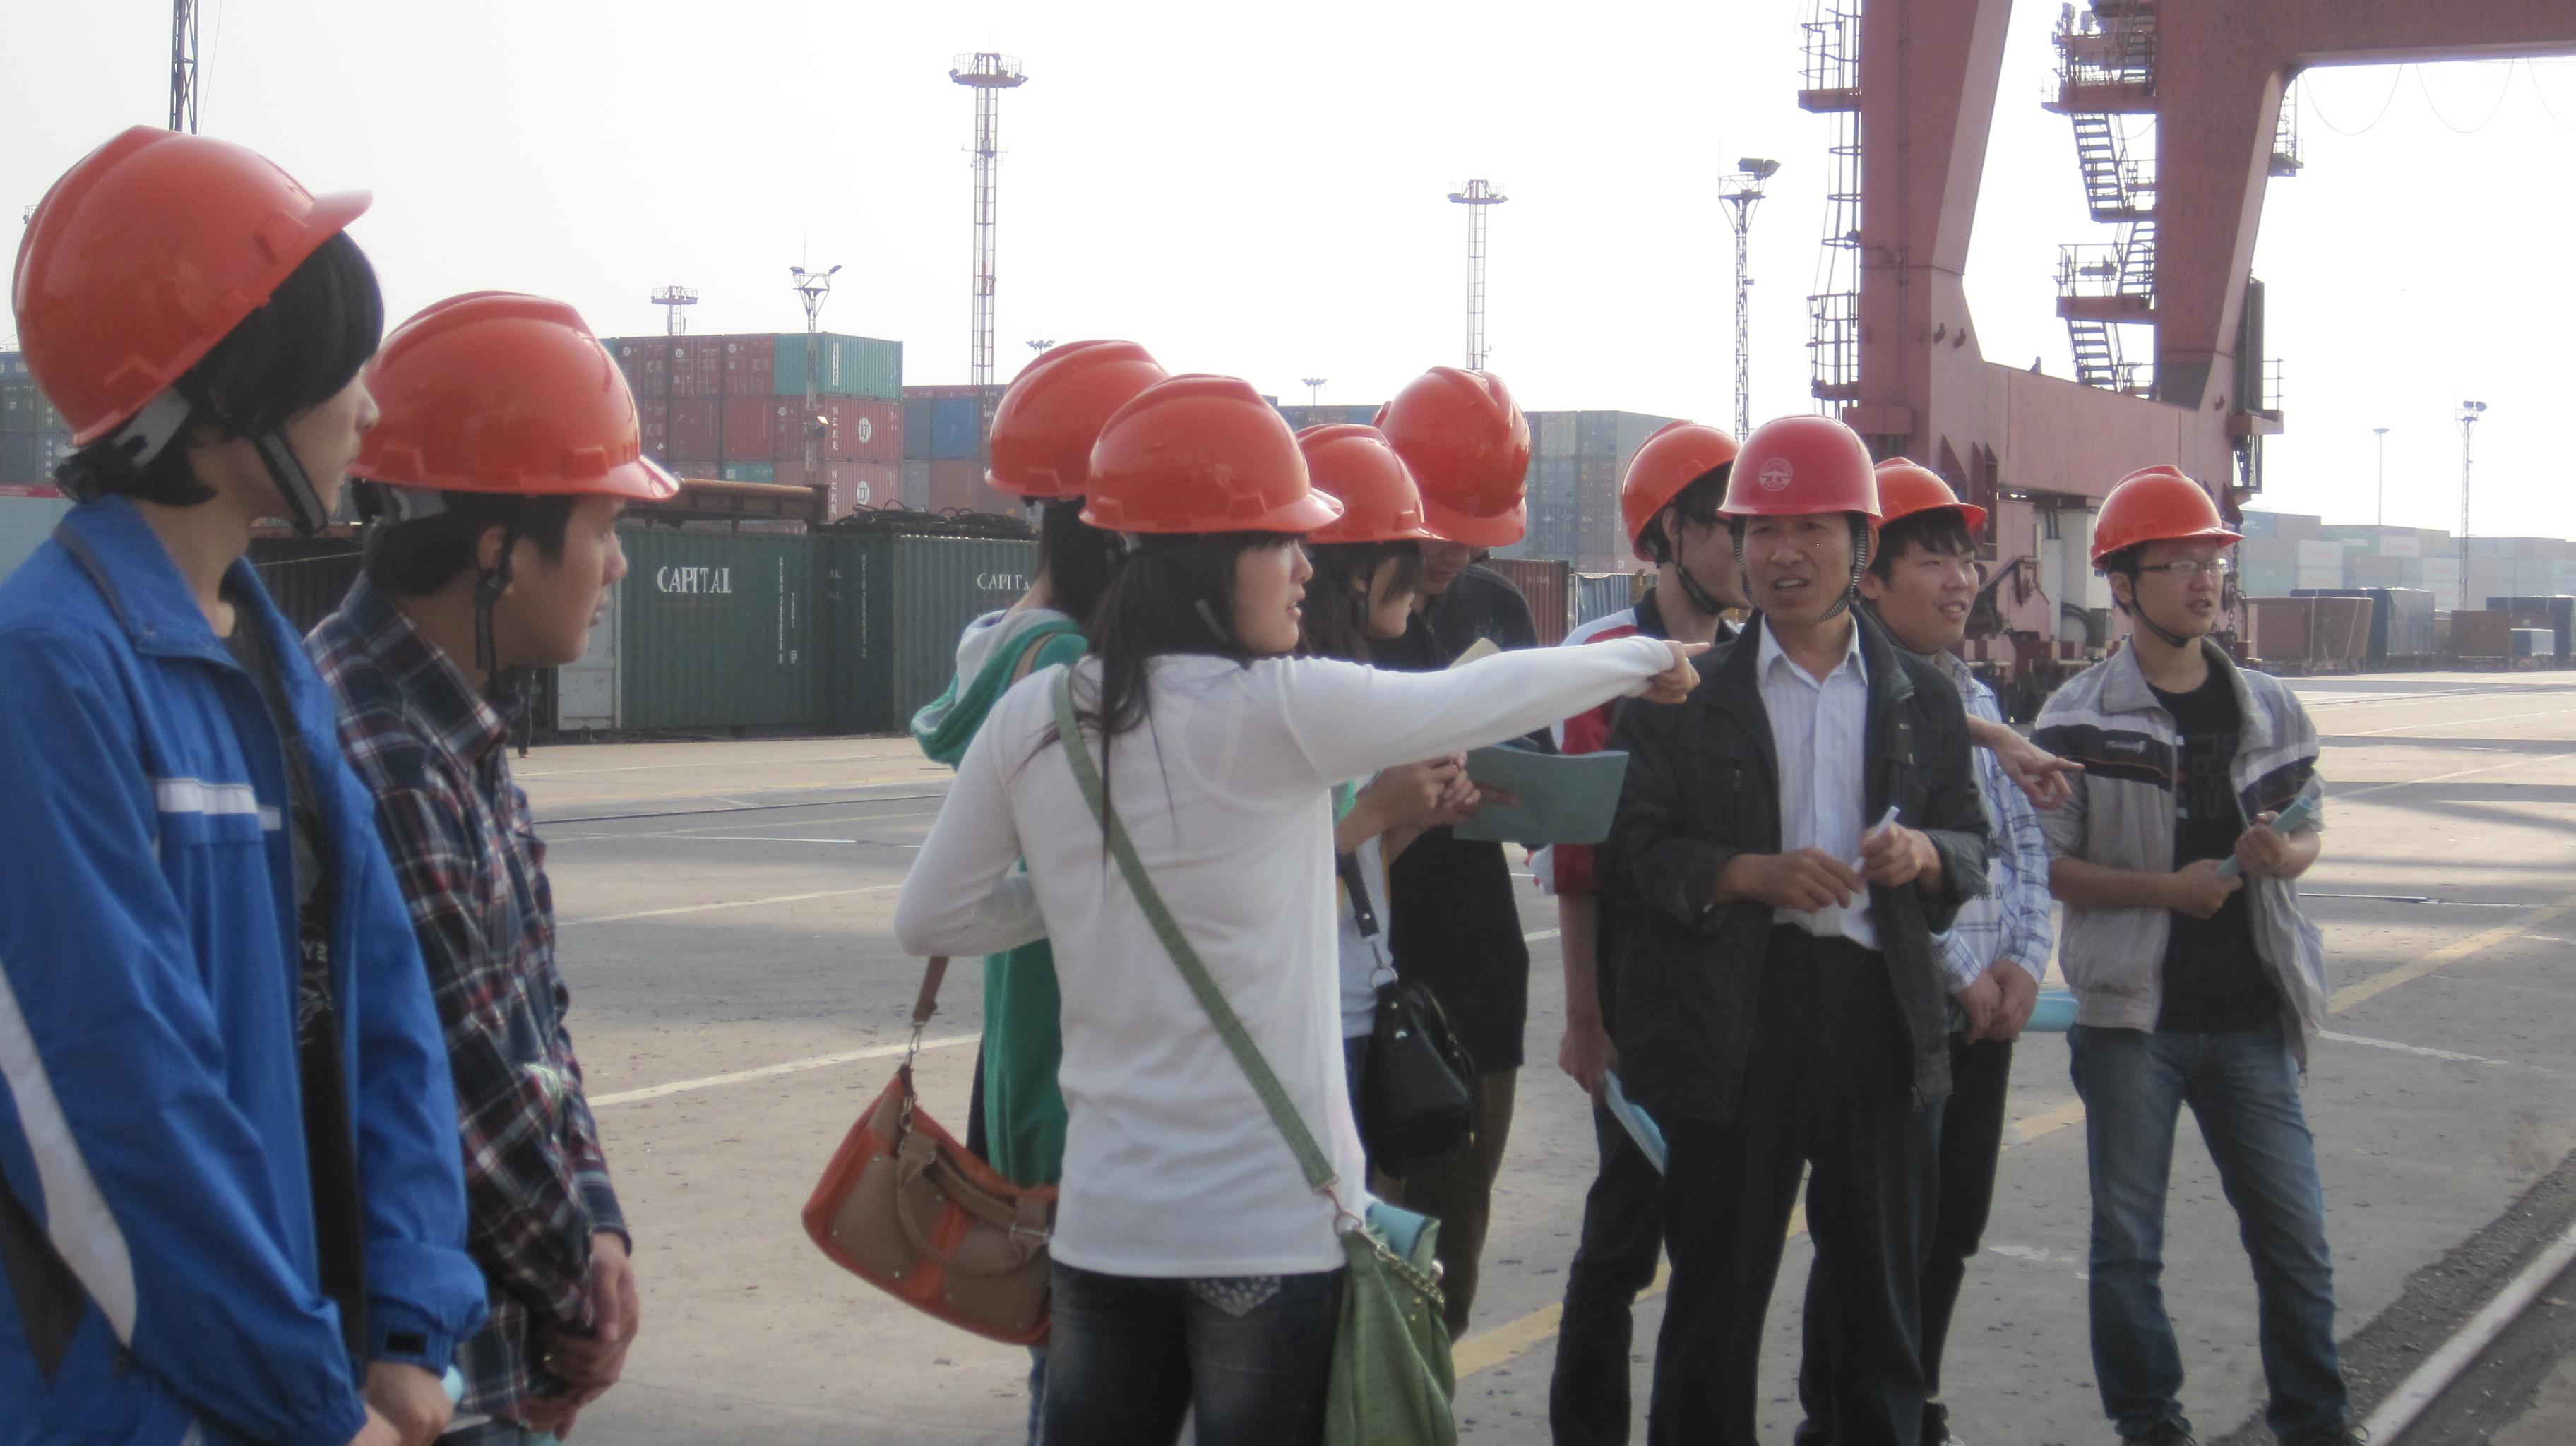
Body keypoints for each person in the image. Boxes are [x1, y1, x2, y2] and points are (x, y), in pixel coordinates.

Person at [892, 374, 1705, 1446]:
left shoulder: (1038, 715)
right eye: (1283, 542)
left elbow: (931, 918)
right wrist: (1647, 659)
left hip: (1105, 1227)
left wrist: (1082, 898)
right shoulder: (1282, 709)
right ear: (1211, 557)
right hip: (1268, 1229)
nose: (1307, 567)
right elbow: (1472, 698)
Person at [0, 127, 487, 1446]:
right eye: (343, 369)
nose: (370, 411)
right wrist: (313, 1399)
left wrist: (408, 1327)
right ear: (226, 401)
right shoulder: (47, 671)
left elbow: (387, 1008)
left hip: (313, 1381)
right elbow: (108, 1104)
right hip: (146, 1407)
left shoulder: (269, 658)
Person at [311, 293, 674, 1442]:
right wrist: (578, 1294)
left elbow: (533, 1021)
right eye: (602, 529)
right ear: (497, 550)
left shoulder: (451, 721)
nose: (616, 568)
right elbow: (463, 1079)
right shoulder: (380, 750)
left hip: (496, 1338)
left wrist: (599, 1222)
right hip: (428, 1371)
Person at [1599, 413, 1990, 1446]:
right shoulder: (1683, 695)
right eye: (1762, 530)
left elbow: (1972, 845)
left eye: (1812, 528)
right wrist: (1747, 873)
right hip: (1737, 1016)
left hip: (1878, 1017)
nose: (1783, 553)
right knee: (1714, 1300)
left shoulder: (1922, 702)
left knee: (1881, 1306)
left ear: (1862, 544)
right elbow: (1633, 853)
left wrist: (1926, 856)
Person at [2031, 467, 2352, 1446]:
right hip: (2135, 1022)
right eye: (2178, 563)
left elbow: (2309, 826)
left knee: (2296, 1241)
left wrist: (2284, 854)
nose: (2204, 580)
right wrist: (2167, 892)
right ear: (2124, 585)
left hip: (2252, 1019)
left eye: (2212, 561)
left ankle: (2315, 1422)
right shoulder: (2076, 717)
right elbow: (2051, 866)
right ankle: (2151, 1426)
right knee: (2128, 1248)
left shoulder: (2270, 707)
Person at [908, 337, 1164, 1445]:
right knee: (1081, 1364)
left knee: (1066, 1354)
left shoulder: (1009, 649)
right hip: (1076, 1055)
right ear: (1117, 531)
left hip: (1030, 1040)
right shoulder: (1068, 674)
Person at [1796, 459, 2056, 1446]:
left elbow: (2021, 847)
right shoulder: (1850, 698)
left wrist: (2024, 963)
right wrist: (1960, 976)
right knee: (1872, 1236)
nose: (1962, 581)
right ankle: (1839, 1419)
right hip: (1904, 1012)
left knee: (1951, 1227)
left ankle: (1917, 1403)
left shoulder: (1974, 695)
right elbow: (1872, 859)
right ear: (1870, 578)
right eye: (1934, 561)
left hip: (1989, 1009)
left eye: (1966, 560)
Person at [1545, 420, 1748, 1446]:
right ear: (1671, 532)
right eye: (1731, 527)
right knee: (1624, 1237)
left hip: (1736, 986)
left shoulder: (1756, 656)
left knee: (1721, 1242)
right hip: (1635, 985)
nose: (1753, 549)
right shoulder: (1601, 662)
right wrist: (1586, 1018)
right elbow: (1579, 863)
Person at [1368, 364, 1544, 1336]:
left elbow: (1538, 765)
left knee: (1448, 1271)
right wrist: (1406, 806)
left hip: (1478, 976)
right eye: (1437, 527)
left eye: (1472, 534)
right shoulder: (1330, 620)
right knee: (1362, 1273)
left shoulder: (1495, 609)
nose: (1451, 553)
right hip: (1372, 977)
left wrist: (1523, 789)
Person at [1292, 423, 1479, 1112]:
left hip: (1352, 1002)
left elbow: (1343, 872)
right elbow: (1267, 878)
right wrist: (1377, 808)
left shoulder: (1342, 679)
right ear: (1360, 571)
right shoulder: (1302, 696)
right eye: (1408, 552)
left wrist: (1413, 816)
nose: (1421, 572)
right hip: (1311, 1019)